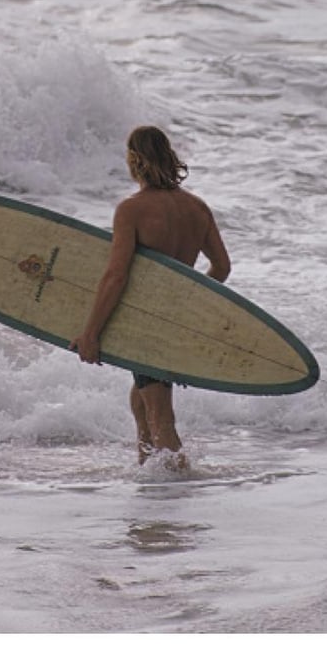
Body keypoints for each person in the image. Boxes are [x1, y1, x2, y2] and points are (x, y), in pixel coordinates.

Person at [69, 126, 231, 469]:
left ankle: (176, 492)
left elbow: (116, 275)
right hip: (171, 320)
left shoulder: (132, 210)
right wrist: (185, 302)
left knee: (161, 415)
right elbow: (221, 267)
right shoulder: (197, 208)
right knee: (144, 401)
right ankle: (149, 476)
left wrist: (91, 333)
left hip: (143, 322)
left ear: (134, 160)